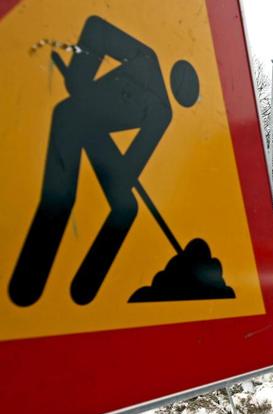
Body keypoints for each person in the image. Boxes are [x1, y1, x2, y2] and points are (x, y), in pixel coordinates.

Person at [9, 16, 200, 307]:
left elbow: (133, 163)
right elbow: (97, 29)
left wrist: (121, 172)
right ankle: (30, 283)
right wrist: (79, 76)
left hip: (90, 125)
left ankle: (84, 288)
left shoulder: (162, 112)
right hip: (73, 117)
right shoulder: (146, 61)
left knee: (125, 207)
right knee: (61, 198)